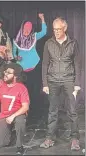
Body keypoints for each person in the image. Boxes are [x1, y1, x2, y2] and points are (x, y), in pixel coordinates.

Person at [40, 17, 81, 151]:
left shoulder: (73, 43)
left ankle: (74, 139)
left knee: (72, 111)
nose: (56, 32)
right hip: (52, 81)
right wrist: (45, 83)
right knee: (53, 111)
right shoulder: (48, 43)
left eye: (59, 29)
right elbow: (45, 63)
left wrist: (77, 83)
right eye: (54, 29)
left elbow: (77, 64)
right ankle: (50, 137)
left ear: (65, 28)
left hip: (69, 80)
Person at [12, 13, 47, 119]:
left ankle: (33, 113)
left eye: (29, 29)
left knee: (34, 92)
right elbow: (14, 52)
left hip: (34, 68)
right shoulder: (16, 39)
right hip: (22, 70)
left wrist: (42, 19)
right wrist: (16, 57)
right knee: (22, 92)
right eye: (25, 29)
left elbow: (44, 32)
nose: (27, 31)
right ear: (22, 29)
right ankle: (23, 112)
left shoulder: (34, 36)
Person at [0, 63, 29, 155]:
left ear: (15, 76)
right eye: (5, 72)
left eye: (9, 73)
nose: (5, 74)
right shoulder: (0, 86)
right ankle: (11, 133)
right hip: (4, 115)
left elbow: (25, 107)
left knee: (20, 121)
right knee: (2, 143)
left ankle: (19, 145)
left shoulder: (21, 88)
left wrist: (13, 116)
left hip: (17, 114)